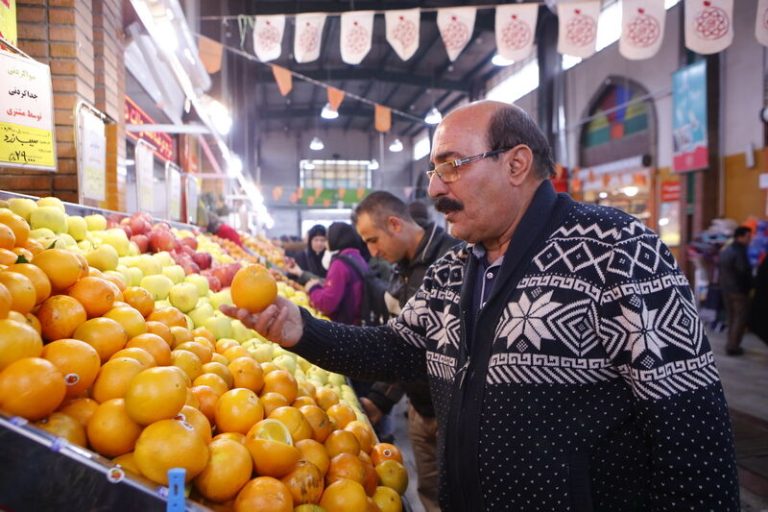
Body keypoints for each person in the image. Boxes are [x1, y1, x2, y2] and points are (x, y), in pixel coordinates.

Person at [222, 101, 739, 510]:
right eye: (432, 169)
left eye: (452, 165)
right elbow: (398, 350)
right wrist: (301, 331)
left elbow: (691, 430)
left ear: (516, 163)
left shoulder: (617, 250)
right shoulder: (454, 269)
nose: (433, 187)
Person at [353, 190, 457, 512]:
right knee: (429, 495)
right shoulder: (400, 268)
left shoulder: (452, 262)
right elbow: (401, 342)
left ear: (395, 224)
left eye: (373, 240)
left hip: (452, 414)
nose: (371, 251)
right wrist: (381, 399)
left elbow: (426, 346)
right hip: (418, 409)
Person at [304, 222, 367, 326]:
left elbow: (327, 304)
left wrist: (313, 289)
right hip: (358, 322)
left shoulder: (340, 264)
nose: (324, 243)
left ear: (335, 238)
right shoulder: (356, 256)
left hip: (345, 326)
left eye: (326, 239)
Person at [718, 225, 753, 355]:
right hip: (738, 290)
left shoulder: (726, 249)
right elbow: (743, 270)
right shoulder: (739, 251)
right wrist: (749, 286)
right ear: (740, 236)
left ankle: (730, 344)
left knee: (732, 318)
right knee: (739, 319)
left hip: (726, 288)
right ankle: (733, 346)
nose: (749, 240)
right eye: (748, 237)